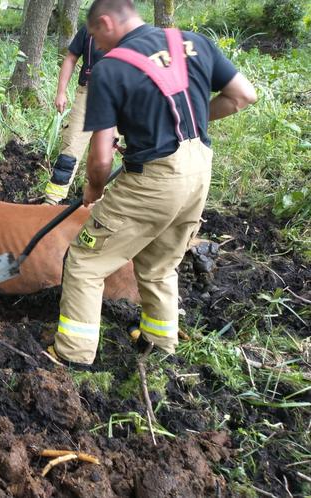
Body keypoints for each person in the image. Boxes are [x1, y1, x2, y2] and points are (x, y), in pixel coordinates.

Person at [49, 0, 256, 369]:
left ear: (106, 23)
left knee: (84, 261)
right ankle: (159, 343)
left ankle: (72, 355)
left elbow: (100, 159)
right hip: (198, 171)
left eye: (95, 36)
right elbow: (243, 95)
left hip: (154, 180)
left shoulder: (111, 68)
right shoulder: (192, 42)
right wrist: (195, 122)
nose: (97, 46)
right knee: (160, 264)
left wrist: (93, 190)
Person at [43, 21, 104, 205]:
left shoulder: (129, 32)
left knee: (102, 157)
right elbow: (71, 58)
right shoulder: (89, 29)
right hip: (87, 95)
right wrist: (61, 92)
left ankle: (93, 205)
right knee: (70, 150)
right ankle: (51, 202)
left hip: (116, 99)